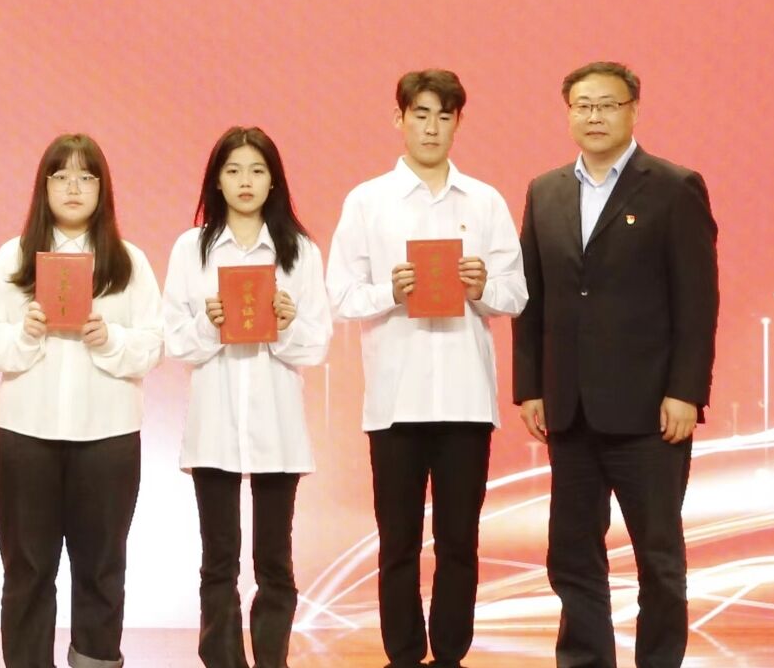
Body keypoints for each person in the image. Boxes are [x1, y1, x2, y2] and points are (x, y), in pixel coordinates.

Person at [512, 61, 719, 668]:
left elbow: (698, 300)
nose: (594, 116)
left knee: (658, 558)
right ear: (568, 113)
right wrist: (531, 385)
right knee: (572, 555)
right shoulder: (545, 191)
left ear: (633, 110)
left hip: (650, 412)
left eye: (607, 104)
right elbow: (532, 297)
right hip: (569, 410)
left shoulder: (674, 187)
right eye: (583, 105)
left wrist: (686, 390)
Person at [326, 69, 526, 668]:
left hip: (466, 400)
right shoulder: (367, 201)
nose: (432, 128)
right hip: (395, 403)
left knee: (460, 541)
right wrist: (390, 291)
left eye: (444, 116)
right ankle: (404, 654)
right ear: (399, 119)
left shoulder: (485, 201)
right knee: (398, 543)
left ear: (458, 122)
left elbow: (517, 294)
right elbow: (341, 296)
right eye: (420, 114)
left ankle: (451, 654)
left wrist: (483, 287)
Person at [0, 133, 164, 668]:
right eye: (61, 176)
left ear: (103, 189)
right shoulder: (13, 257)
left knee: (102, 567)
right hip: (26, 436)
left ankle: (95, 660)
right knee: (28, 568)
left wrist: (109, 338)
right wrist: (26, 332)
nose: (73, 187)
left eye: (86, 177)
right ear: (44, 186)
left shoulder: (129, 262)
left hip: (108, 437)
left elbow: (154, 345)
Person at [161, 126, 330, 668]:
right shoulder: (191, 249)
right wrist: (210, 324)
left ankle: (272, 659)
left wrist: (285, 322)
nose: (245, 181)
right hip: (214, 425)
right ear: (216, 180)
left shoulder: (300, 251)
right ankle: (223, 659)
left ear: (274, 180)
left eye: (257, 170)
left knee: (275, 561)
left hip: (278, 427)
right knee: (219, 561)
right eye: (233, 170)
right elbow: (175, 341)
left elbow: (316, 345)